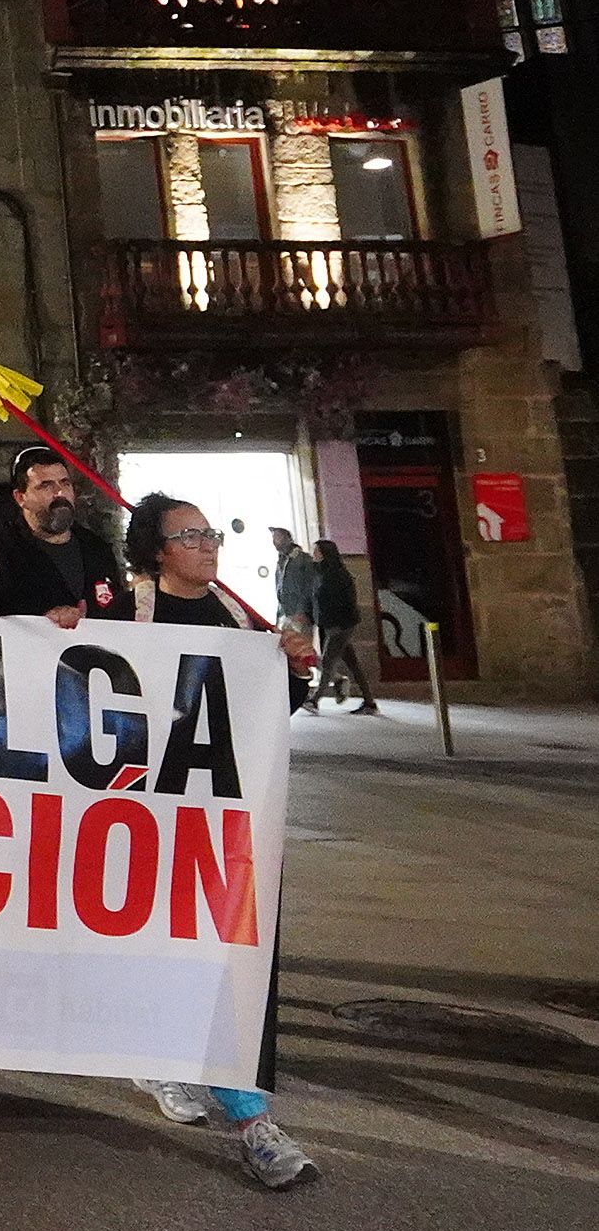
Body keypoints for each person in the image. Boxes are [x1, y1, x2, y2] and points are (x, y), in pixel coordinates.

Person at [121, 492, 324, 1190]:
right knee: (158, 946)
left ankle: (251, 1121)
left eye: (209, 533)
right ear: (155, 548)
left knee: (230, 955)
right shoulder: (127, 612)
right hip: (145, 817)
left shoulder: (238, 618)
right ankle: (161, 1054)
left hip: (226, 821)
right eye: (189, 535)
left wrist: (291, 669)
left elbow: (268, 711)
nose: (207, 545)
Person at [0, 446, 134, 625]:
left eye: (65, 483)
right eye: (46, 486)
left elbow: (117, 615)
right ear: (20, 497)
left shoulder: (97, 549)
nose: (60, 493)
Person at [310, 539, 380, 714]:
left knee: (327, 662)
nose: (314, 555)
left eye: (317, 551)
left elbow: (343, 603)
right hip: (333, 624)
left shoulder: (336, 575)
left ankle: (315, 699)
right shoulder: (323, 572)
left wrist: (336, 625)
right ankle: (369, 702)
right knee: (353, 663)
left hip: (339, 625)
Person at [270, 527, 316, 637]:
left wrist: (302, 610)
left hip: (299, 614)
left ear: (288, 538)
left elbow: (309, 587)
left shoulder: (303, 559)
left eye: (278, 537)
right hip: (285, 613)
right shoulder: (281, 560)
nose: (275, 541)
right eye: (274, 538)